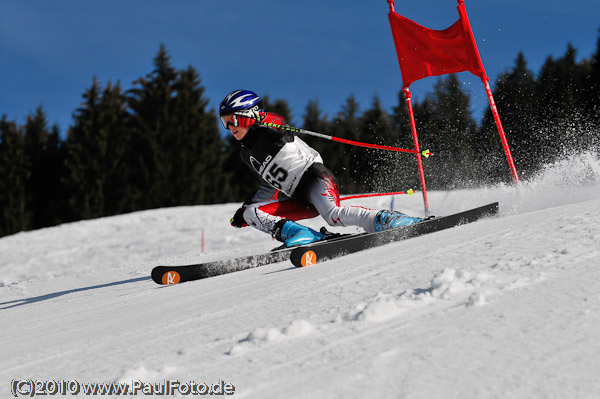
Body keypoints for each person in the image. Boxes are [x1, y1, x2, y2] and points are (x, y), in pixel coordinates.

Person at [220, 89, 424, 248]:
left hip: (313, 177)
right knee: (251, 213)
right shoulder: (246, 153)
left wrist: (263, 119)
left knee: (333, 215)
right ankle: (302, 234)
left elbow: (277, 122)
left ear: (250, 115)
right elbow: (269, 184)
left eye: (233, 120)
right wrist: (247, 208)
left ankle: (386, 219)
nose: (230, 127)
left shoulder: (268, 132)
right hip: (299, 198)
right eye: (224, 123)